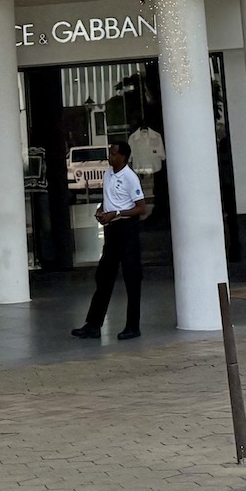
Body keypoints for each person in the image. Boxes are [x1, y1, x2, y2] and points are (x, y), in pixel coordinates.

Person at [72, 138, 149, 341]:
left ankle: (133, 325)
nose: (110, 156)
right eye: (110, 152)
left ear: (123, 156)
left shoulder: (130, 178)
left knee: (132, 277)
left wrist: (116, 213)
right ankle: (93, 324)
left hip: (127, 229)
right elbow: (109, 198)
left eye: (114, 153)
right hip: (112, 231)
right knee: (104, 276)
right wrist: (102, 209)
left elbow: (141, 208)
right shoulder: (107, 174)